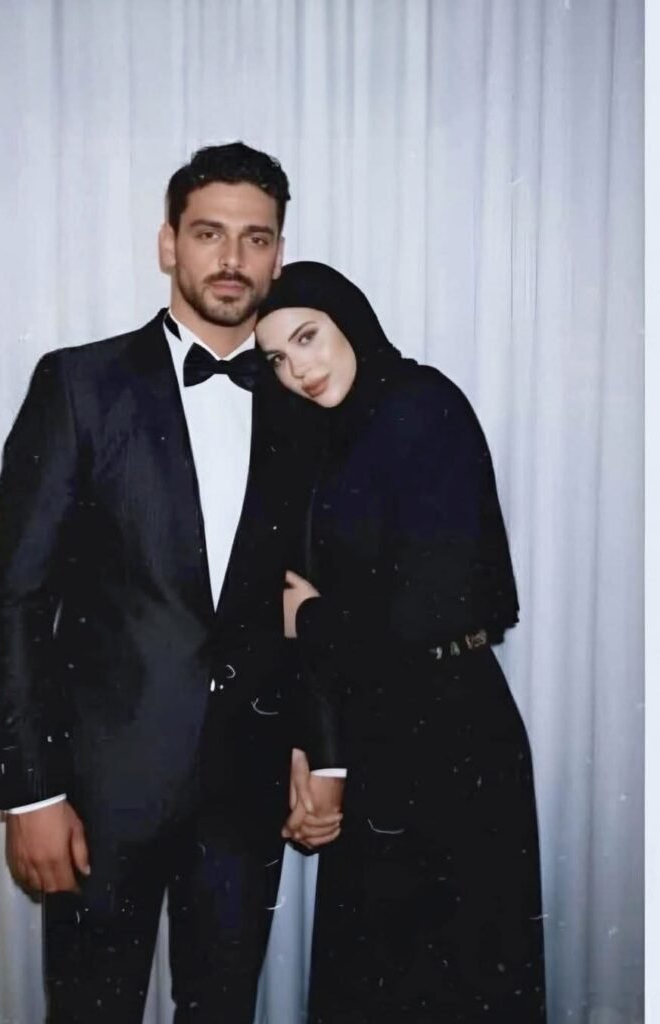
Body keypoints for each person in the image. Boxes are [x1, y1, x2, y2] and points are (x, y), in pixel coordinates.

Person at [0, 145, 343, 1024]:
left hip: (246, 790)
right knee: (90, 1009)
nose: (232, 258)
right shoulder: (80, 384)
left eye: (256, 238)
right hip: (103, 793)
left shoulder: (303, 399)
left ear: (278, 256)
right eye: (209, 233)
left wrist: (319, 748)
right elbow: (16, 600)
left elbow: (311, 594)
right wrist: (31, 793)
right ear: (167, 244)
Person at [256, 261, 547, 1023]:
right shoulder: (326, 436)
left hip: (454, 728)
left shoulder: (420, 404)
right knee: (376, 977)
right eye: (277, 358)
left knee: (461, 976)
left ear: (349, 321)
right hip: (380, 728)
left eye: (308, 338)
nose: (298, 370)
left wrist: (311, 618)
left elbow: (438, 604)